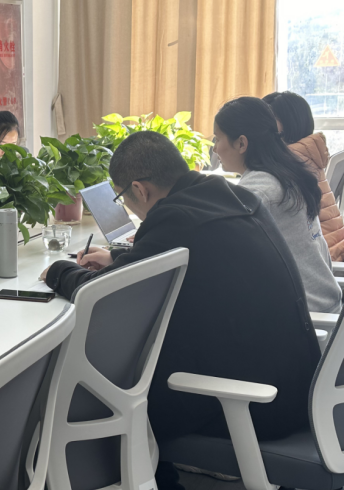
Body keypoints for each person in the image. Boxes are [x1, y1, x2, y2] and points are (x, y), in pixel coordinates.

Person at [42, 131, 320, 445]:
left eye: (122, 198)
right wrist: (118, 257)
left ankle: (147, 477)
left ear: (139, 189)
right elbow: (196, 251)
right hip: (295, 385)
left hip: (255, 405)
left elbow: (101, 293)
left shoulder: (175, 218)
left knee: (113, 384)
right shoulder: (232, 195)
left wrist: (59, 271)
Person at [214, 96, 341, 313]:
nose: (215, 149)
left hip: (307, 317)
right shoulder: (289, 174)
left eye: (217, 139)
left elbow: (220, 249)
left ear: (242, 143)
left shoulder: (259, 191)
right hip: (326, 305)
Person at [263, 91, 344, 262]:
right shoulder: (306, 152)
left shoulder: (290, 161)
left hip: (325, 256)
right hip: (334, 246)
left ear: (287, 124)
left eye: (268, 119)